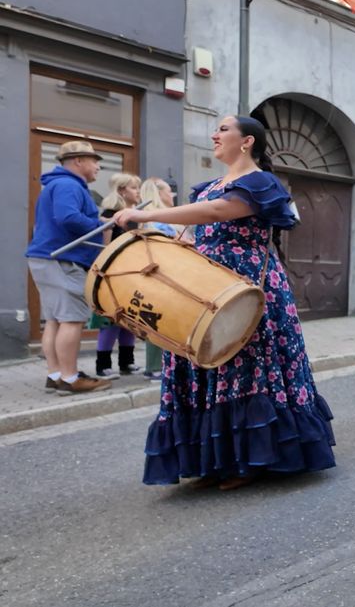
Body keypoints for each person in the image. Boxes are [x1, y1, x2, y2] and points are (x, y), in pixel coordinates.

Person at [113, 116, 335, 489]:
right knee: (201, 357)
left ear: (247, 141)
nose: (214, 135)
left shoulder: (260, 182)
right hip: (205, 286)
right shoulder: (209, 186)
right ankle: (214, 457)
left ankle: (248, 459)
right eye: (215, 130)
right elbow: (195, 229)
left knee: (244, 366)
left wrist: (146, 214)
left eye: (223, 130)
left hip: (245, 286)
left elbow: (218, 212)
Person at [25, 141, 113, 395]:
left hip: (48, 258)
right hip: (64, 259)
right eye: (94, 160)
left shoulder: (56, 184)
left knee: (54, 320)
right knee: (72, 320)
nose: (97, 166)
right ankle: (70, 378)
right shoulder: (68, 184)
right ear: (78, 161)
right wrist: (101, 223)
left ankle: (55, 375)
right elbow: (68, 218)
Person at [90, 173, 143, 378]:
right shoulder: (112, 214)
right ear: (121, 190)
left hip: (131, 272)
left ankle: (126, 362)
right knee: (111, 321)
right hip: (114, 273)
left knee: (129, 319)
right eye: (133, 187)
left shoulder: (134, 214)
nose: (138, 191)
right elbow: (106, 247)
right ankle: (102, 365)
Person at [137, 177, 181, 380]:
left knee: (155, 319)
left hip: (157, 275)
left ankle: (156, 366)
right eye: (168, 191)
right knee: (158, 320)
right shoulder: (157, 221)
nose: (172, 195)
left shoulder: (148, 219)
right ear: (158, 193)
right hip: (163, 276)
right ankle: (155, 367)